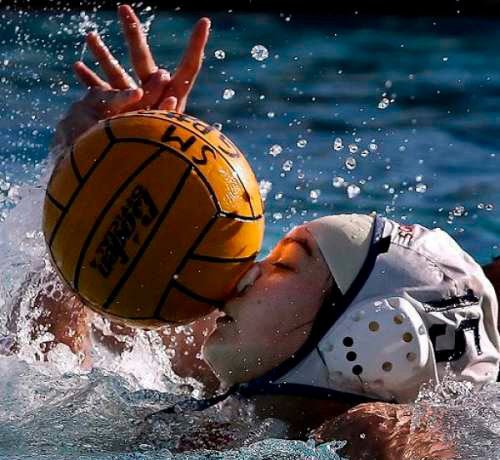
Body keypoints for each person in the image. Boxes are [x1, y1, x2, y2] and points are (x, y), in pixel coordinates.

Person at [22, 4, 500, 459]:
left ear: (373, 344)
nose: (250, 271)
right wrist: (107, 184)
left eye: (285, 265)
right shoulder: (239, 376)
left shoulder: (369, 431)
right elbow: (52, 368)